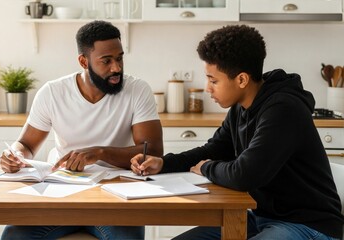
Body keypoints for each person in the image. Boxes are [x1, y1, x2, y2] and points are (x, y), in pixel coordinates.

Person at [131, 25, 344, 240]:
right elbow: (214, 150)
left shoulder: (283, 109)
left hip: (308, 224)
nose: (207, 88)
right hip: (260, 217)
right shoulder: (240, 107)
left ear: (241, 80)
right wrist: (163, 163)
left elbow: (244, 175)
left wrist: (206, 168)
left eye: (213, 80)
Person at [0, 20, 163, 240]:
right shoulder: (53, 92)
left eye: (119, 58)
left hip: (116, 195)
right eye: (106, 61)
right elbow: (27, 145)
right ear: (83, 61)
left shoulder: (137, 90)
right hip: (62, 192)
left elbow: (152, 152)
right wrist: (15, 155)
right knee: (13, 235)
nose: (116, 68)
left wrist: (100, 153)